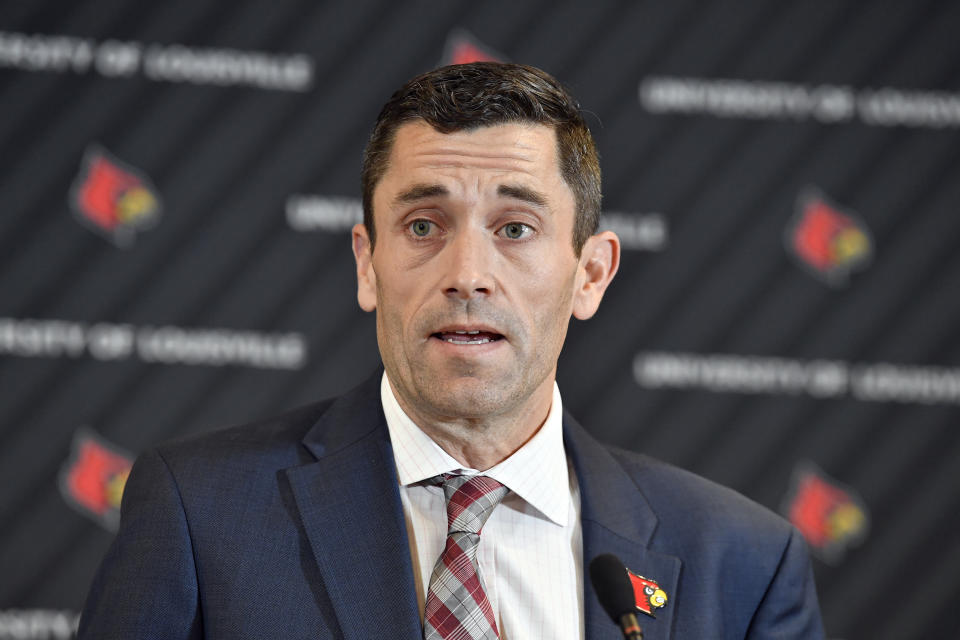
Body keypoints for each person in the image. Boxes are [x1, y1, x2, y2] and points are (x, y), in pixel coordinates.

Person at [78, 62, 824, 639]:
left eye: (515, 229)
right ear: (367, 263)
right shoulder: (201, 512)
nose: (467, 275)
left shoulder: (743, 565)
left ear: (591, 273)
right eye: (425, 226)